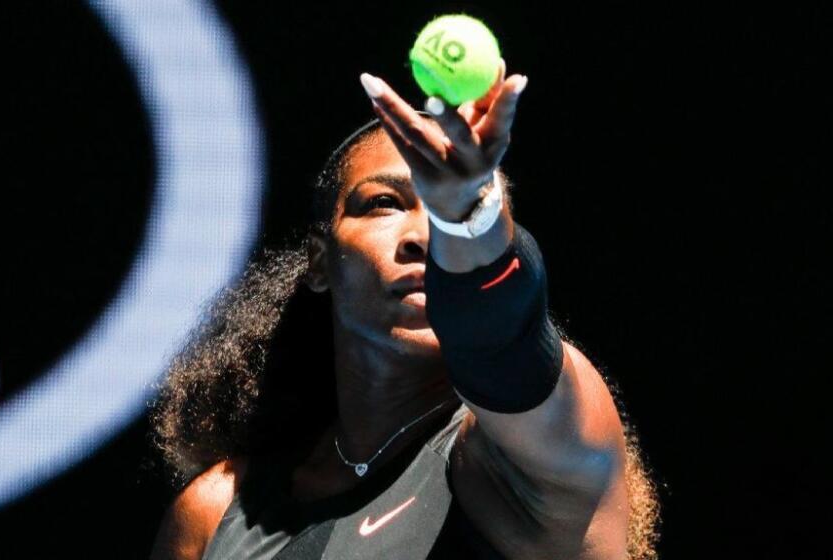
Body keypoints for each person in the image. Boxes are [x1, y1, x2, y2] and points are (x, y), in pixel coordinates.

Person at [148, 58, 661, 559]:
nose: (425, 237)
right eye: (385, 204)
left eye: (448, 212)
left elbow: (506, 341)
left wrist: (469, 221)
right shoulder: (217, 513)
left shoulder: (516, 465)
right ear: (320, 262)